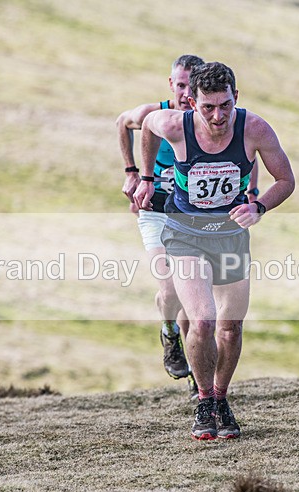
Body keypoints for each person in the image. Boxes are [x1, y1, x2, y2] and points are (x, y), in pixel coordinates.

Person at [134, 62, 295, 440]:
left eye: (225, 106)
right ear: (192, 103)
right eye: (208, 108)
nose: (218, 116)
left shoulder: (255, 129)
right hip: (185, 234)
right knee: (203, 320)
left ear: (235, 97)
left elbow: (286, 180)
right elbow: (145, 126)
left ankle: (221, 398)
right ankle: (204, 401)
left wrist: (259, 207)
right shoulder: (174, 125)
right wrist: (144, 177)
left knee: (230, 327)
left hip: (230, 236)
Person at [116, 55, 208, 390]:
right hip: (155, 211)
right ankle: (169, 332)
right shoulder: (150, 115)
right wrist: (132, 173)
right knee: (170, 290)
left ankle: (199, 382)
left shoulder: (209, 119)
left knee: (194, 299)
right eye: (180, 85)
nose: (185, 93)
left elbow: (246, 153)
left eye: (191, 86)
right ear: (171, 84)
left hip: (190, 216)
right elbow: (121, 123)